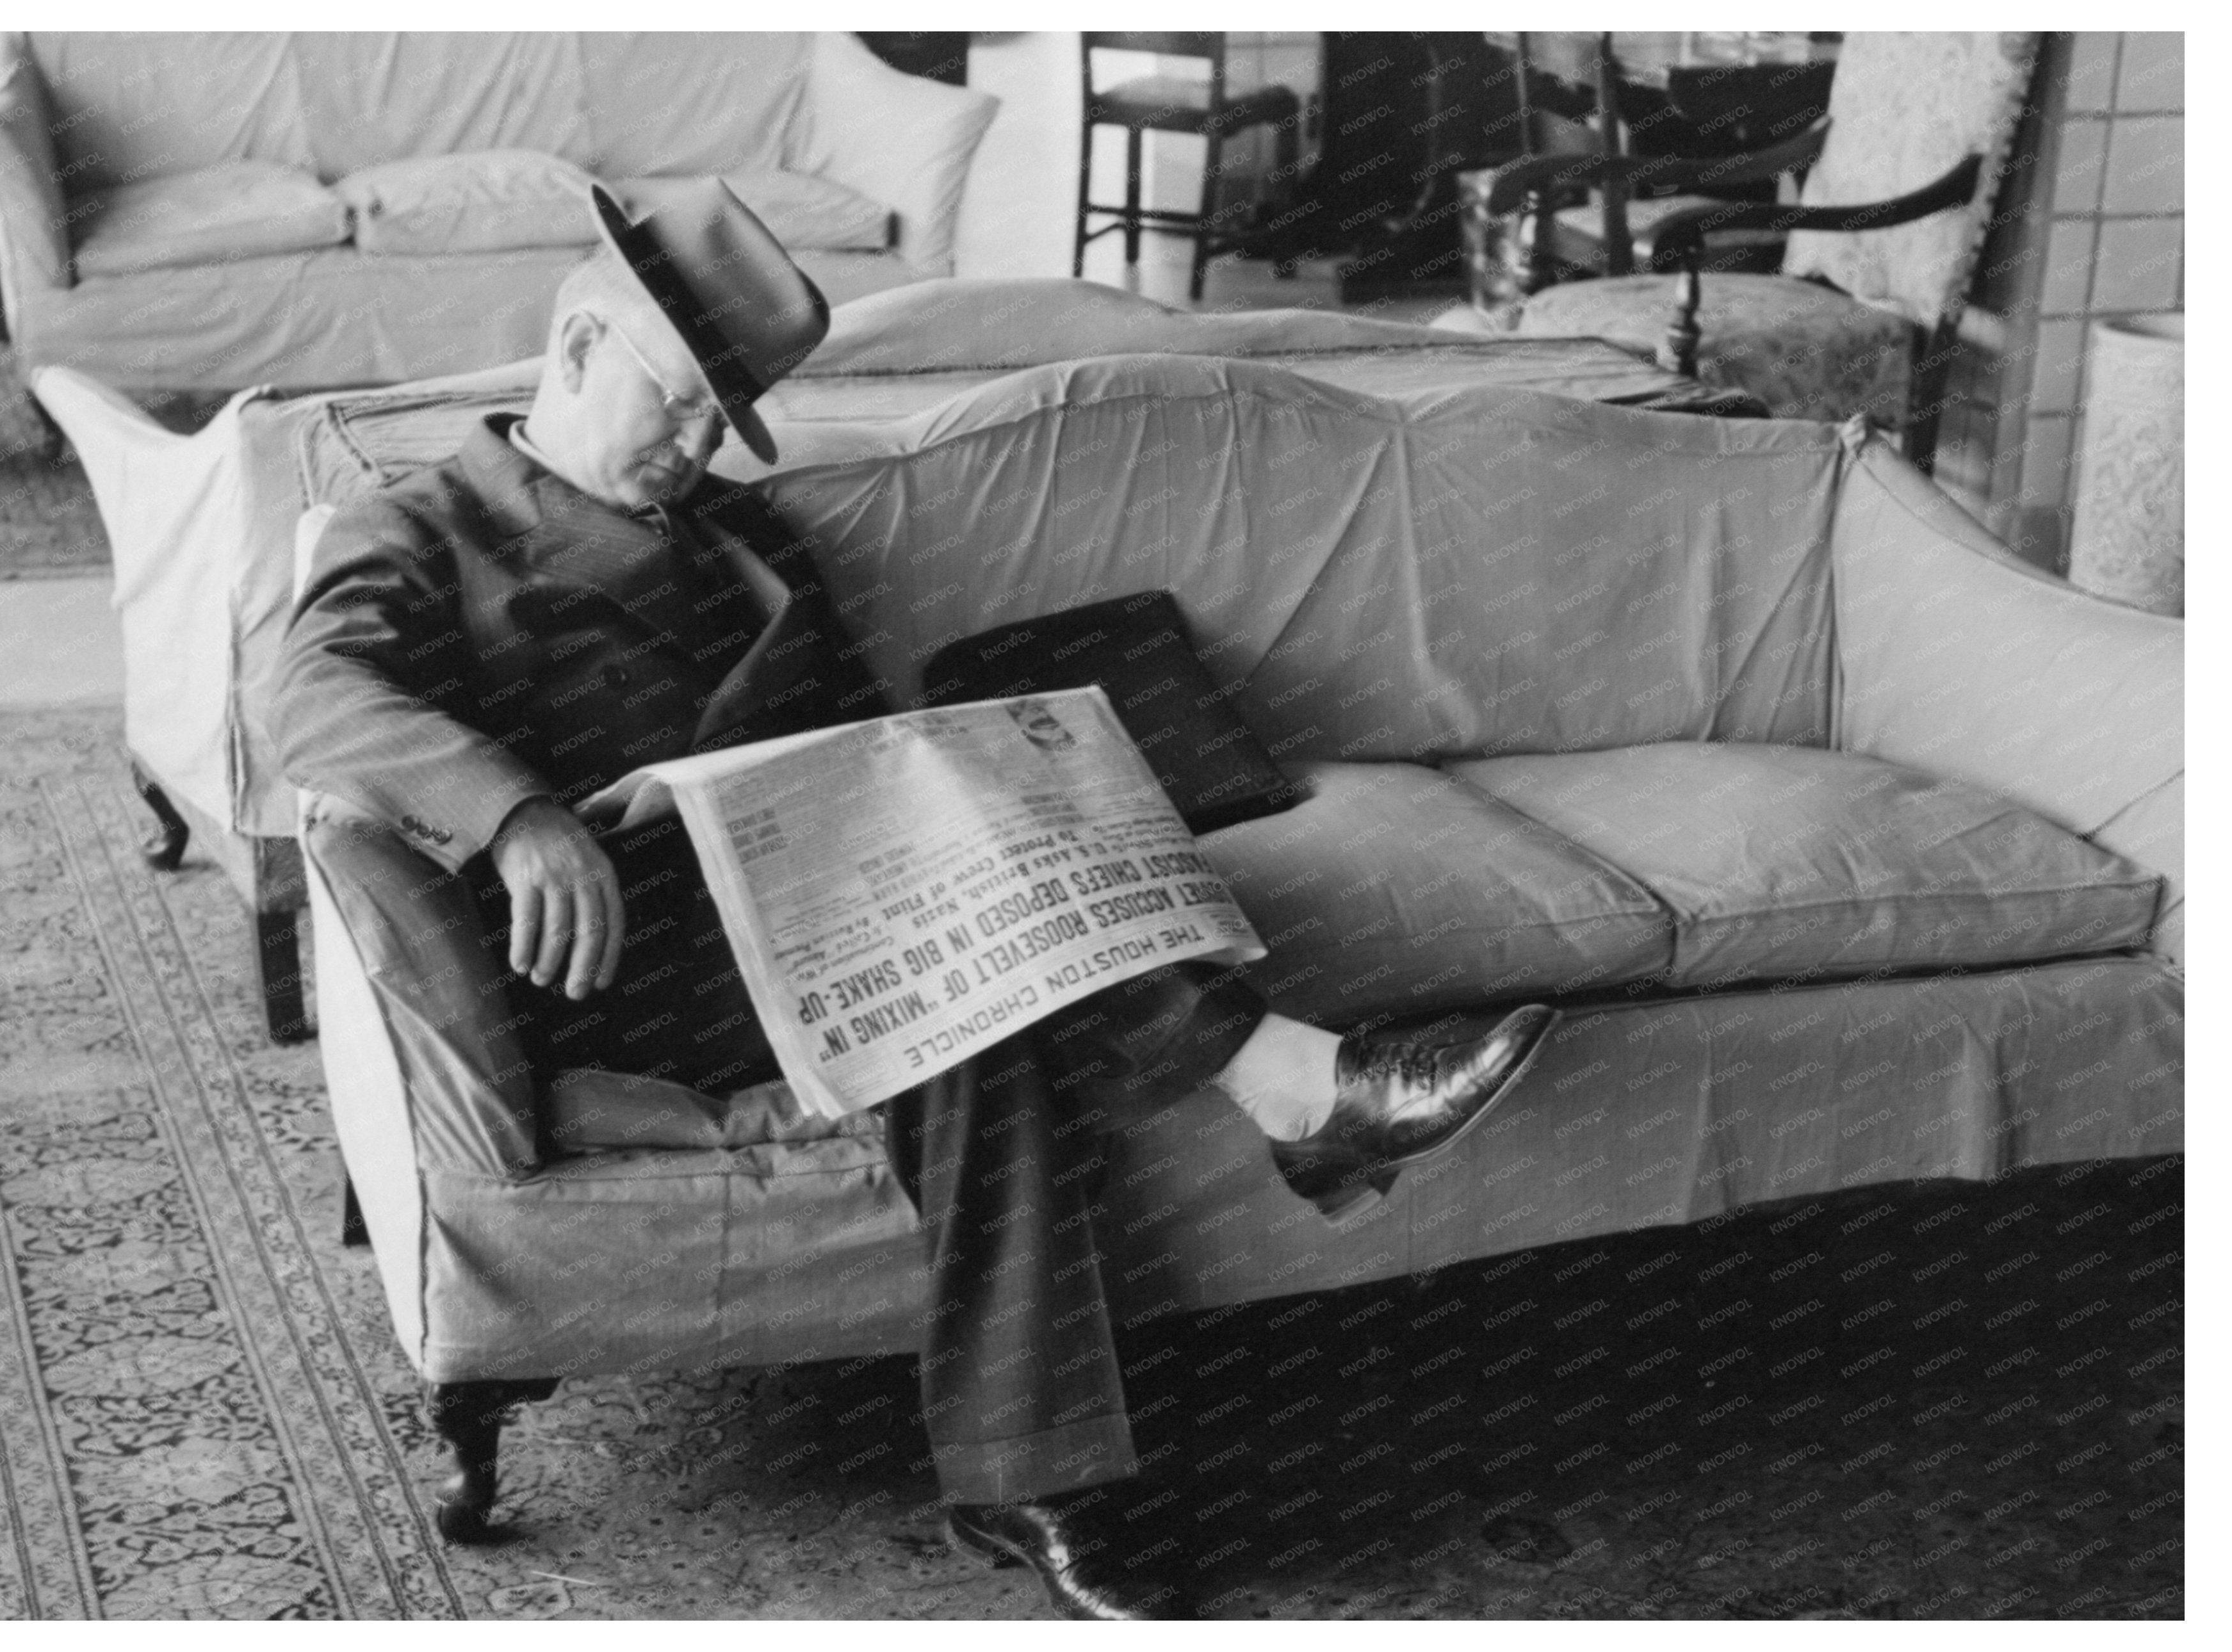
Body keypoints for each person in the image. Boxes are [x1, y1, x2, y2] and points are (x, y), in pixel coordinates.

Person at [271, 181, 1553, 1619]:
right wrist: (514, 817)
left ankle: (1032, 1476)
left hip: (822, 919)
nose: (698, 449)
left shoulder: (752, 542)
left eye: (723, 418)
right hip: (622, 958)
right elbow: (310, 695)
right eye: (683, 404)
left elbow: (858, 741)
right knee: (953, 902)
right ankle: (1294, 1086)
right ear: (577, 345)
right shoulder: (417, 529)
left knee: (978, 992)